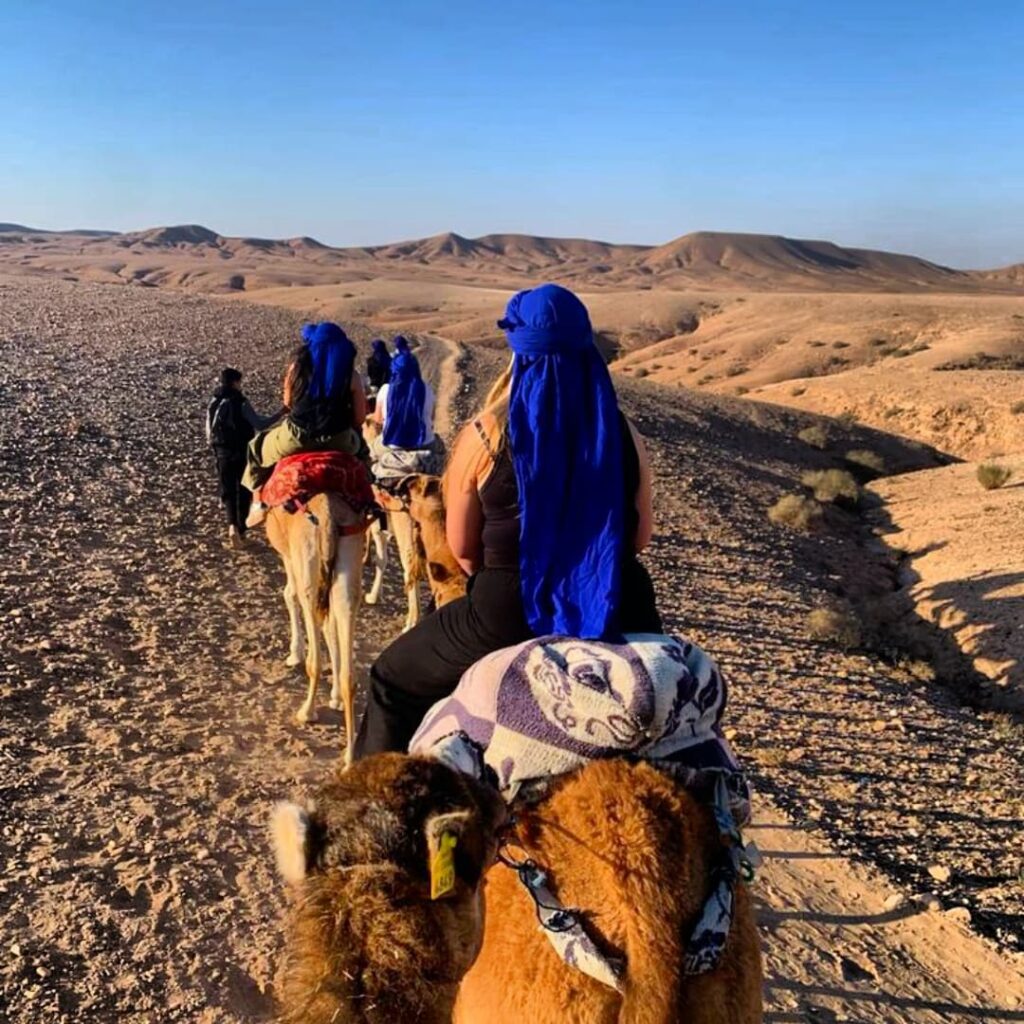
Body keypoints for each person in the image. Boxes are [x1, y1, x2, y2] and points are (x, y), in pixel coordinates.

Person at [353, 283, 661, 758]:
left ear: (519, 353)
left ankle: (378, 818)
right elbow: (639, 540)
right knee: (673, 714)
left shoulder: (487, 433)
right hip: (620, 603)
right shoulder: (624, 432)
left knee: (391, 681)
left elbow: (462, 549)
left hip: (508, 610)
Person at [243, 321, 368, 524]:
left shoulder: (296, 369)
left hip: (297, 436)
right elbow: (359, 418)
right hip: (340, 439)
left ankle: (258, 504)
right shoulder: (352, 376)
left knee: (255, 448)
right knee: (364, 455)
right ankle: (369, 501)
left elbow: (288, 403)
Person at [205, 367, 283, 546]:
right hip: (241, 450)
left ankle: (231, 525)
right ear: (235, 382)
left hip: (221, 451)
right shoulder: (240, 402)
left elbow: (208, 428)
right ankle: (241, 531)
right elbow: (260, 424)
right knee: (244, 490)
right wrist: (280, 414)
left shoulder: (214, 401)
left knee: (228, 491)